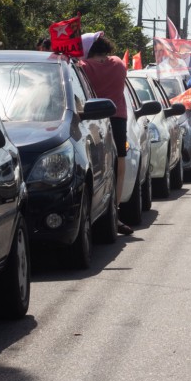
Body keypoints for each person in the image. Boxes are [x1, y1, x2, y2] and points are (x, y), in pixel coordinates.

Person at [77, 33, 134, 235]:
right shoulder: (119, 63)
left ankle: (98, 209)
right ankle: (114, 210)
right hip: (118, 118)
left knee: (97, 165)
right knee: (119, 163)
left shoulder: (83, 67)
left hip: (93, 120)